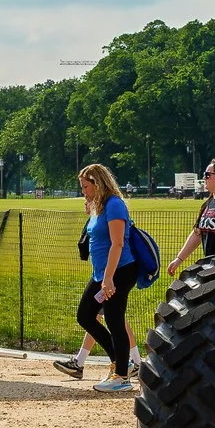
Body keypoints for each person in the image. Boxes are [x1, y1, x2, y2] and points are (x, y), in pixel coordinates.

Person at [58, 164, 137, 392]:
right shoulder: (99, 206)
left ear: (98, 184)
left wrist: (109, 278)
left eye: (86, 186)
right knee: (85, 315)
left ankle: (121, 376)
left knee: (114, 320)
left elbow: (118, 243)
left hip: (119, 271)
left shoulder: (114, 205)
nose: (83, 191)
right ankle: (120, 362)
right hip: (102, 273)